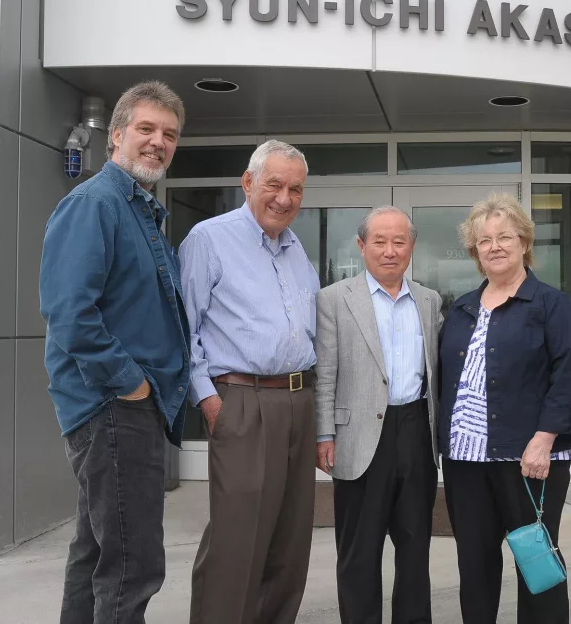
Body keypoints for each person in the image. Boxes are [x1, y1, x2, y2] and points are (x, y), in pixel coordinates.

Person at [39, 80, 190, 624]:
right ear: (118, 135)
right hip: (114, 409)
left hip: (124, 410)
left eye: (169, 134)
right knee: (133, 565)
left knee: (98, 552)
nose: (157, 142)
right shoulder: (94, 204)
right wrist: (132, 383)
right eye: (146, 129)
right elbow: (70, 316)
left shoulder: (140, 212)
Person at [179, 139, 319, 624]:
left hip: (300, 400)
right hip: (241, 400)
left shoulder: (296, 248)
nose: (284, 198)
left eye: (295, 189)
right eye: (274, 185)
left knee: (290, 536)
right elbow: (184, 329)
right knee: (237, 538)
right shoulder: (209, 238)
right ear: (248, 182)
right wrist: (210, 401)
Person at [438, 193, 571, 624]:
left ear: (524, 242)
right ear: (475, 250)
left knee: (536, 562)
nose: (495, 246)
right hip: (467, 462)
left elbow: (570, 378)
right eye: (484, 240)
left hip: (530, 461)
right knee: (475, 564)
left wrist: (543, 440)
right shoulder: (463, 308)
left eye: (505, 236)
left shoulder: (550, 305)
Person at [314, 206, 444, 624]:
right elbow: (326, 370)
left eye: (399, 241)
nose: (390, 251)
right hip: (358, 437)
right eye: (379, 241)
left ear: (412, 247)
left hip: (415, 432)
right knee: (358, 551)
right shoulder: (335, 298)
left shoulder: (428, 300)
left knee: (414, 547)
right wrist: (324, 434)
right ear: (361, 246)